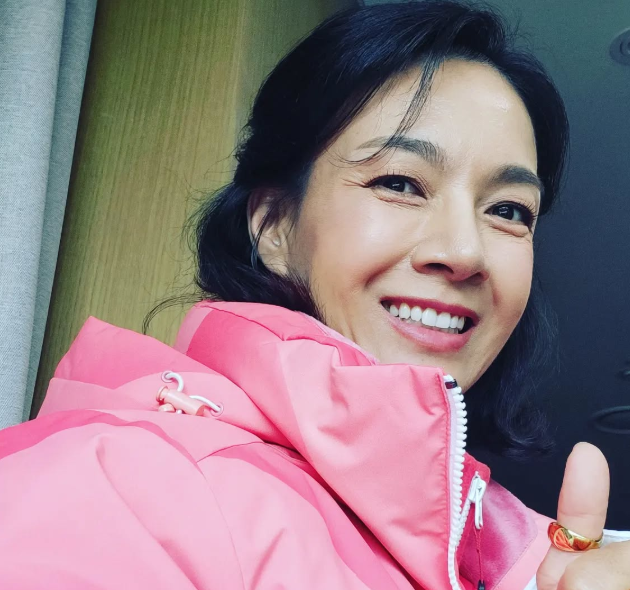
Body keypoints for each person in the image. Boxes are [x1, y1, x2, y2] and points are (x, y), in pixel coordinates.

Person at [0, 2, 628, 589]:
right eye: (400, 183)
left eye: (510, 210)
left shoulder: (520, 557)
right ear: (274, 225)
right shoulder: (114, 490)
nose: (464, 251)